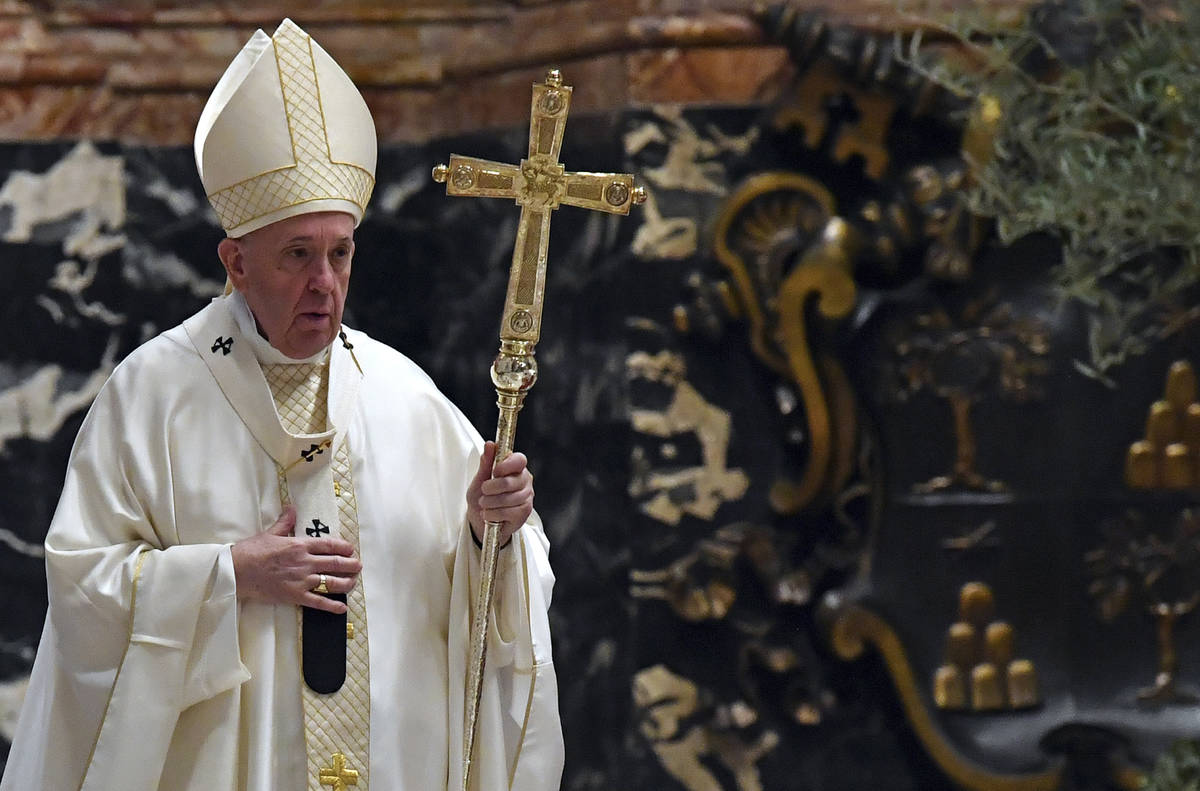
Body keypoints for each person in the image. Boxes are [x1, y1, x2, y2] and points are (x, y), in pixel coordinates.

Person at [0, 18, 562, 791]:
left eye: (340, 252)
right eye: (298, 255)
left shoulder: (407, 399)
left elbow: (479, 608)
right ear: (236, 262)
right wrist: (229, 574)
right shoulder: (153, 394)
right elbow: (82, 591)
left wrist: (487, 531)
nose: (324, 283)